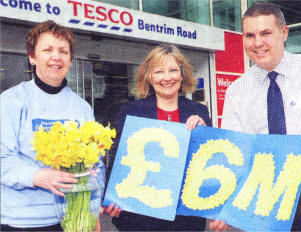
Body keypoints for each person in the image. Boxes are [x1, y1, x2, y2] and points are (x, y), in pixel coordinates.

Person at [210, 1, 301, 231]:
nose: (258, 43)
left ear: (284, 32)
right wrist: (226, 202)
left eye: (266, 33)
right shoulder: (237, 91)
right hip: (261, 202)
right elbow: (234, 150)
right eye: (250, 35)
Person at [0, 20, 105, 231]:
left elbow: (97, 165)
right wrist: (39, 177)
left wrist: (94, 208)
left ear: (70, 59)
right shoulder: (11, 100)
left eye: (63, 51)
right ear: (32, 57)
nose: (56, 57)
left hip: (72, 220)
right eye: (47, 50)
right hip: (22, 221)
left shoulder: (82, 107)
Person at [103, 44, 211, 231]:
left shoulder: (199, 111)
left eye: (173, 70)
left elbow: (209, 162)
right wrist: (110, 196)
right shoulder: (132, 111)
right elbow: (117, 156)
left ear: (182, 74)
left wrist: (204, 133)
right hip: (140, 215)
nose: (167, 77)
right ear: (149, 77)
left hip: (185, 218)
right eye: (159, 72)